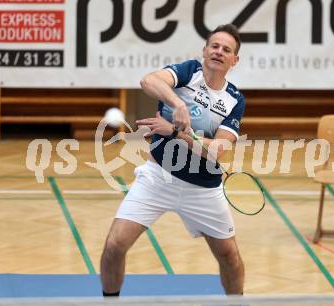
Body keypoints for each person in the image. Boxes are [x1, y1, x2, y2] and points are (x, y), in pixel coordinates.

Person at [100, 24, 245, 296]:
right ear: (204, 50)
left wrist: (176, 132)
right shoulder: (188, 73)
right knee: (114, 245)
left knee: (230, 258)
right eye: (214, 46)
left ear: (234, 60)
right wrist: (178, 104)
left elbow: (217, 151)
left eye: (227, 50)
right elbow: (149, 81)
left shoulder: (234, 100)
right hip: (157, 178)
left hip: (203, 189)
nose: (218, 52)